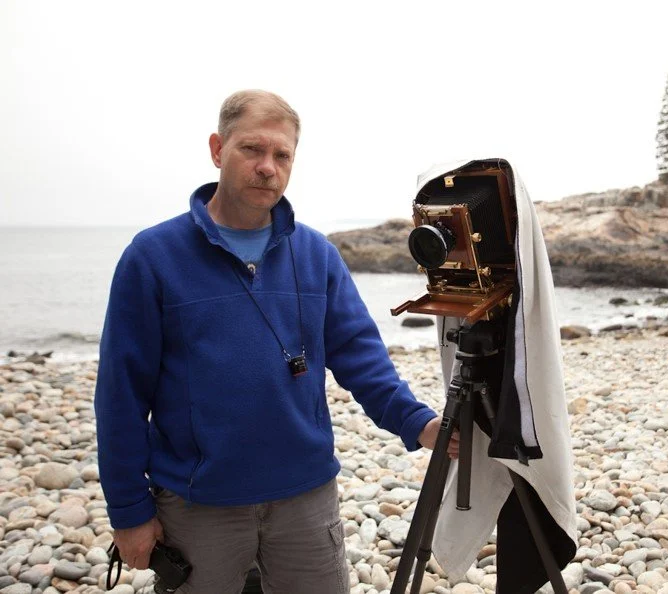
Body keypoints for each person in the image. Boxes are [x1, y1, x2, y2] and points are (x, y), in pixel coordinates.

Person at [94, 89, 458, 594]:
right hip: (199, 504)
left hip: (305, 497)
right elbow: (120, 394)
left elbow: (361, 358)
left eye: (282, 155)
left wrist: (419, 423)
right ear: (218, 149)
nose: (267, 167)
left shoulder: (317, 255)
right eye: (252, 149)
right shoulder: (153, 256)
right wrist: (129, 511)